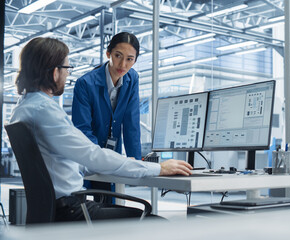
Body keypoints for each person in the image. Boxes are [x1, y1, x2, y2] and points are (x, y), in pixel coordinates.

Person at [10, 37, 193, 221]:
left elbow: (66, 158)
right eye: (66, 68)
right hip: (71, 210)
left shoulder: (23, 109)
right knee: (158, 222)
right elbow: (92, 154)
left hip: (53, 209)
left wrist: (131, 162)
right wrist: (157, 168)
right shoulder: (46, 110)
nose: (67, 75)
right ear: (55, 72)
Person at [71, 32, 142, 198]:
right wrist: (100, 159)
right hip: (90, 153)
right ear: (108, 54)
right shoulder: (85, 83)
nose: (123, 64)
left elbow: (132, 123)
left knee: (111, 200)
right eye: (118, 56)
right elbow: (83, 129)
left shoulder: (132, 79)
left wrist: (137, 164)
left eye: (130, 59)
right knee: (94, 201)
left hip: (112, 154)